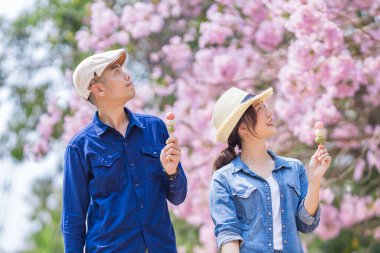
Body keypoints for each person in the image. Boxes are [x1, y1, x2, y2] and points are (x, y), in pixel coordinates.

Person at [61, 48, 187, 253]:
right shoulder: (79, 148)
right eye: (116, 71)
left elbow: (178, 197)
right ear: (99, 89)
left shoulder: (155, 128)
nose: (127, 75)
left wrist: (172, 172)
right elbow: (73, 220)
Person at [209, 87, 331, 253]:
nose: (269, 114)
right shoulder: (223, 179)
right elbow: (228, 234)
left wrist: (315, 180)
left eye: (264, 107)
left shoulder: (293, 168)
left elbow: (306, 224)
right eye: (259, 109)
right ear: (243, 128)